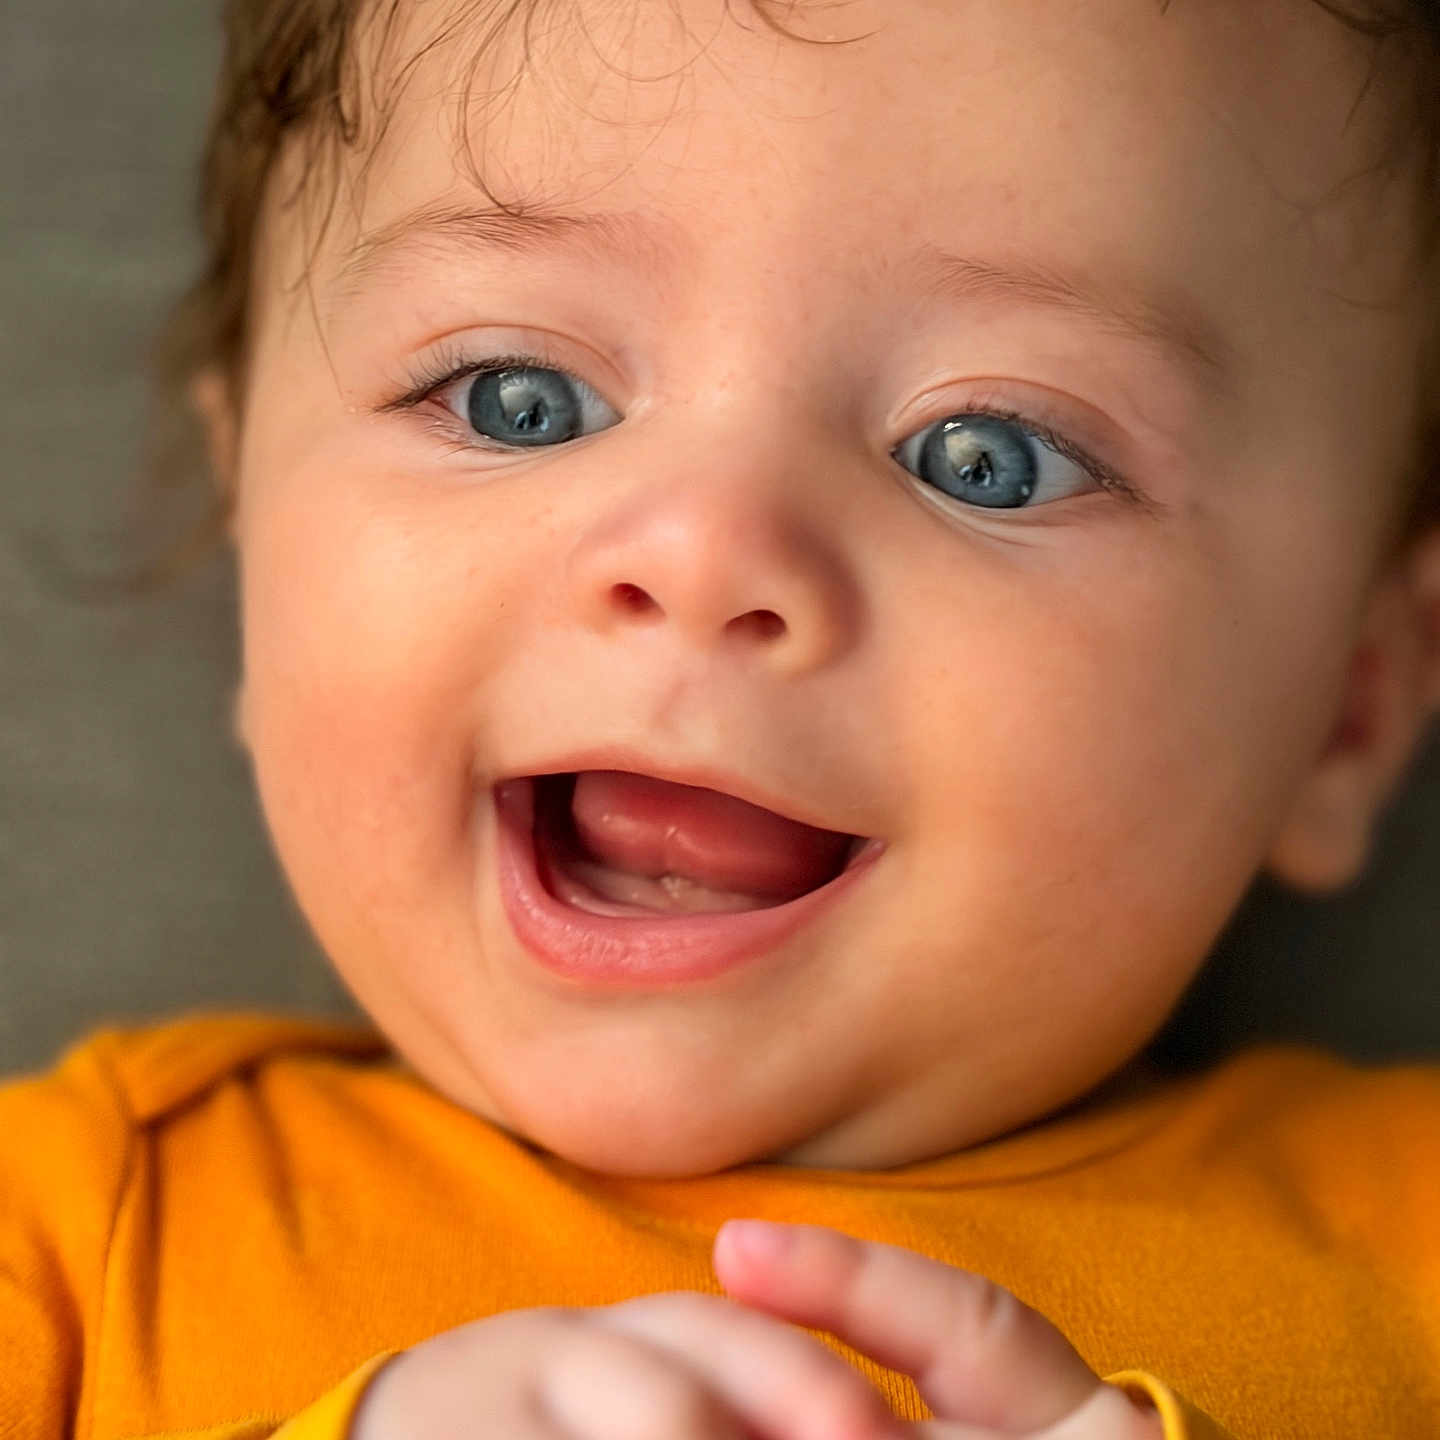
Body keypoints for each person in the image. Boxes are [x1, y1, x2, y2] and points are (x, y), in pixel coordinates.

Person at [5, 0, 1440, 1435]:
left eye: (988, 458)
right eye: (520, 401)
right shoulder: (69, 1239)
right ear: (261, 539)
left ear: (1352, 709)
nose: (704, 552)